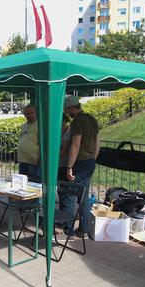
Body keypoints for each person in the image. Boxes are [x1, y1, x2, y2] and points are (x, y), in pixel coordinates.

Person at [60, 95, 100, 237]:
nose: (66, 114)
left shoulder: (77, 121)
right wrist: (92, 159)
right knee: (83, 196)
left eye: (66, 110)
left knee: (70, 194)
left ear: (71, 108)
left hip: (80, 162)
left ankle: (68, 228)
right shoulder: (91, 119)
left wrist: (69, 166)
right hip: (89, 162)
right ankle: (84, 229)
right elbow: (97, 143)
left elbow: (75, 144)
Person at [16, 104, 41, 183]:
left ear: (35, 112)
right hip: (22, 161)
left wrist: (40, 158)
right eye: (27, 113)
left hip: (33, 162)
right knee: (22, 184)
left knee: (33, 184)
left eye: (31, 113)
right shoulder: (24, 125)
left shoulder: (40, 125)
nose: (30, 115)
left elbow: (42, 144)